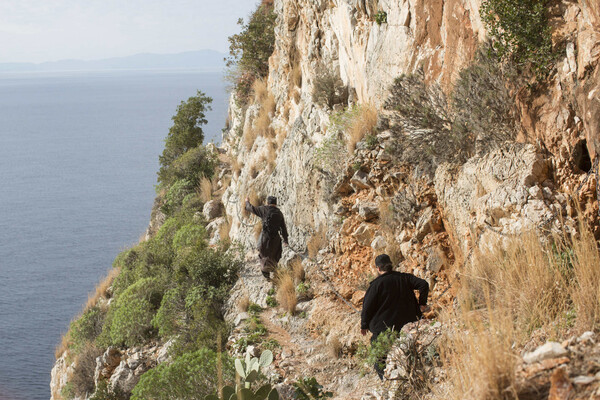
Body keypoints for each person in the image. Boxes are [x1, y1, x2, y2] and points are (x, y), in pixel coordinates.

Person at [360, 254, 430, 380]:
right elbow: (423, 284)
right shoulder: (404, 278)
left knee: (380, 359)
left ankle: (386, 382)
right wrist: (422, 304)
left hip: (385, 329)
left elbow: (367, 308)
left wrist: (364, 325)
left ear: (378, 268)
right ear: (390, 265)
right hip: (409, 324)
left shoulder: (376, 285)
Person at [245, 195, 289, 280]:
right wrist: (285, 240)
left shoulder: (264, 209)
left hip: (265, 237)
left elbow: (251, 208)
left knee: (263, 254)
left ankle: (266, 274)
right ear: (275, 204)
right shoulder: (279, 213)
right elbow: (283, 228)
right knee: (274, 254)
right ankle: (274, 271)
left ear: (267, 203)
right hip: (276, 238)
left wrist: (247, 201)